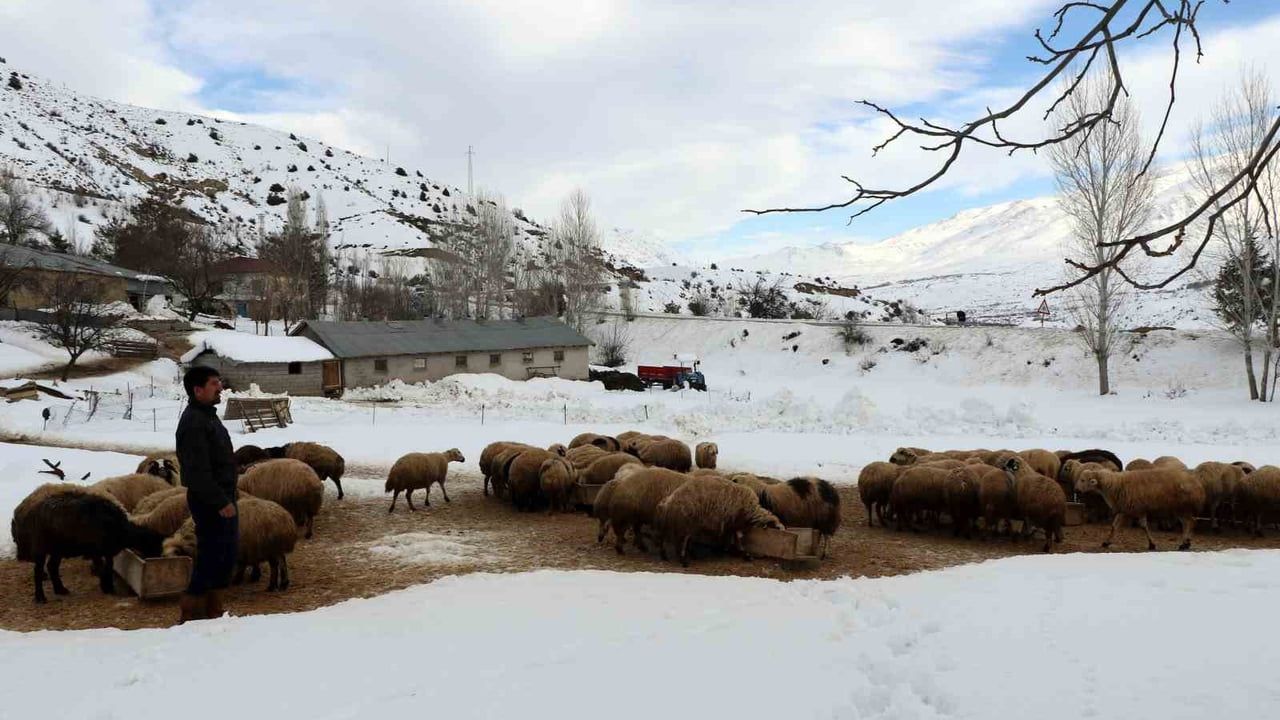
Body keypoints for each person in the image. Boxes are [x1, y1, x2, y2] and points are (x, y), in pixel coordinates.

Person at [174, 366, 239, 624]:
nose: (220, 387)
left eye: (219, 382)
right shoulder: (194, 422)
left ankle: (213, 609)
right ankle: (192, 611)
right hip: (211, 500)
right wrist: (220, 501)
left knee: (225, 554)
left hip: (221, 496)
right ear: (197, 390)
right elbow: (196, 470)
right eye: (214, 384)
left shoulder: (208, 416)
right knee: (212, 555)